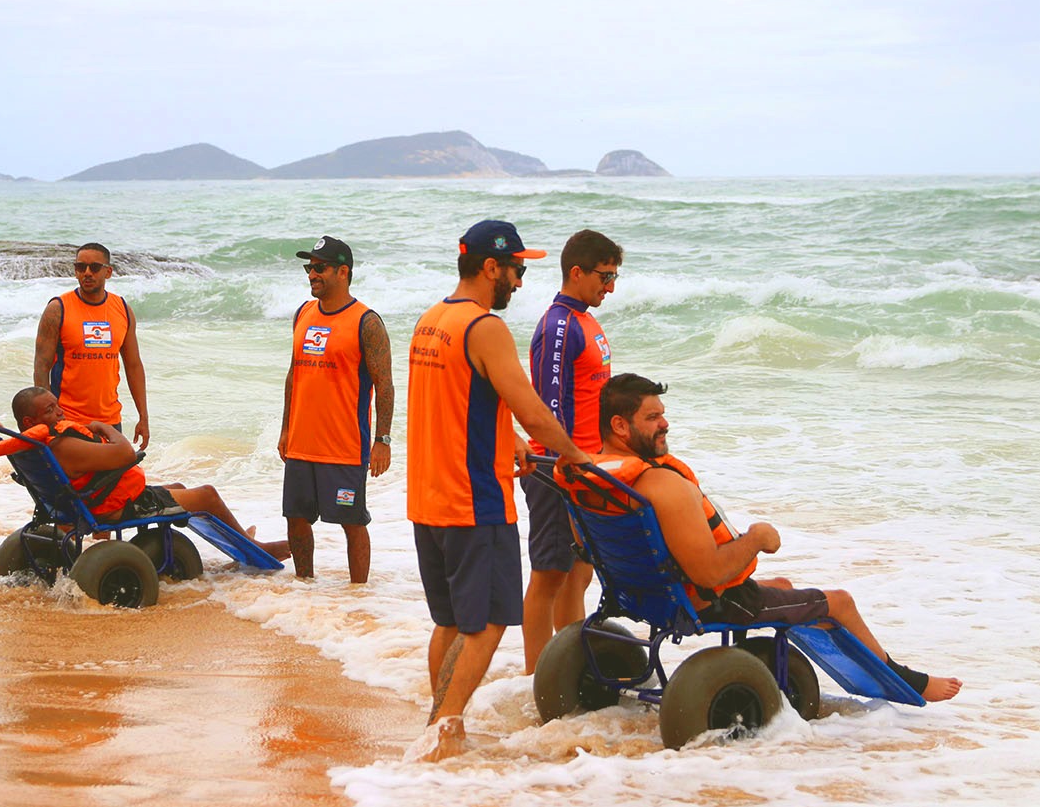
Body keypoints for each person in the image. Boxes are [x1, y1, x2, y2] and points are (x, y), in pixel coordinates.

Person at [584, 372, 962, 703]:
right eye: (653, 417)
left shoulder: (595, 478)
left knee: (783, 587)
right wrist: (756, 538)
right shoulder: (665, 485)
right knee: (840, 603)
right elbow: (709, 575)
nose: (665, 424)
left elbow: (587, 548)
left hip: (637, 595)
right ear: (620, 425)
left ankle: (759, 666)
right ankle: (905, 681)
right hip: (697, 602)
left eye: (664, 414)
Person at [403, 219, 592, 762]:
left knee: (448, 622)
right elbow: (536, 408)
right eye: (517, 269)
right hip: (474, 501)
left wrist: (504, 436)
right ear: (491, 267)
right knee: (488, 624)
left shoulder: (431, 319)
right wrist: (574, 456)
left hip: (428, 498)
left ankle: (437, 723)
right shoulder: (484, 327)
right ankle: (442, 731)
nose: (521, 281)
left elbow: (456, 398)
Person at [9, 387, 290, 560]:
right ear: (30, 422)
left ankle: (242, 538)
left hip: (80, 504)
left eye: (57, 405)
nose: (60, 413)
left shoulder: (32, 448)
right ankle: (257, 549)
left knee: (178, 485)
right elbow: (126, 455)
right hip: (110, 508)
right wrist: (103, 427)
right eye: (50, 410)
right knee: (207, 495)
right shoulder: (65, 445)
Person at [522, 229, 623, 673]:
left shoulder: (587, 319)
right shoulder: (559, 323)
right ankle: (536, 676)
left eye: (615, 276)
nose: (611, 286)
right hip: (556, 470)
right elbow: (550, 406)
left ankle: (573, 669)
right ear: (576, 272)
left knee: (578, 577)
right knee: (549, 576)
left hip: (587, 466)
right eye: (604, 276)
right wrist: (566, 465)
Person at [277, 235, 394, 583]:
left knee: (352, 521)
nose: (311, 274)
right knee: (295, 519)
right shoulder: (303, 313)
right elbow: (294, 373)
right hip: (301, 443)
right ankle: (304, 585)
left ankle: (358, 595)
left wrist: (382, 439)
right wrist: (285, 429)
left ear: (343, 272)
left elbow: (384, 385)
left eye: (319, 268)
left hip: (344, 448)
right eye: (309, 267)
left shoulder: (366, 322)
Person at [34, 242, 150, 449]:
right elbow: (41, 367)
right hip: (68, 420)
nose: (87, 273)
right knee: (77, 481)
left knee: (115, 479)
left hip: (111, 420)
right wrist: (49, 419)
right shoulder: (57, 309)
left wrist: (143, 416)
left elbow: (133, 366)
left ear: (108, 272)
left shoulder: (122, 309)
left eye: (94, 268)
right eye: (80, 267)